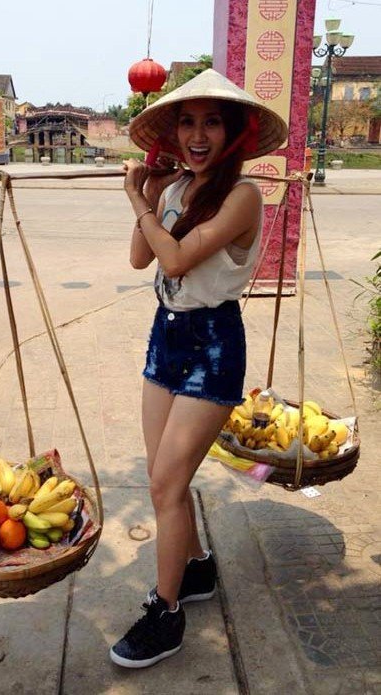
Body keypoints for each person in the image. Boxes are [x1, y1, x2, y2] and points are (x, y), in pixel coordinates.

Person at [109, 69, 287, 669]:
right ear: (173, 133)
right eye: (187, 122)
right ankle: (197, 568)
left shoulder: (243, 196)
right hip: (166, 338)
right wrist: (155, 192)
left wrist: (137, 198)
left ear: (234, 133)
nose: (198, 135)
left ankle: (167, 615)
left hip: (213, 346)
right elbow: (142, 258)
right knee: (166, 478)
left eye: (212, 122)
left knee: (164, 484)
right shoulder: (176, 188)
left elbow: (178, 259)